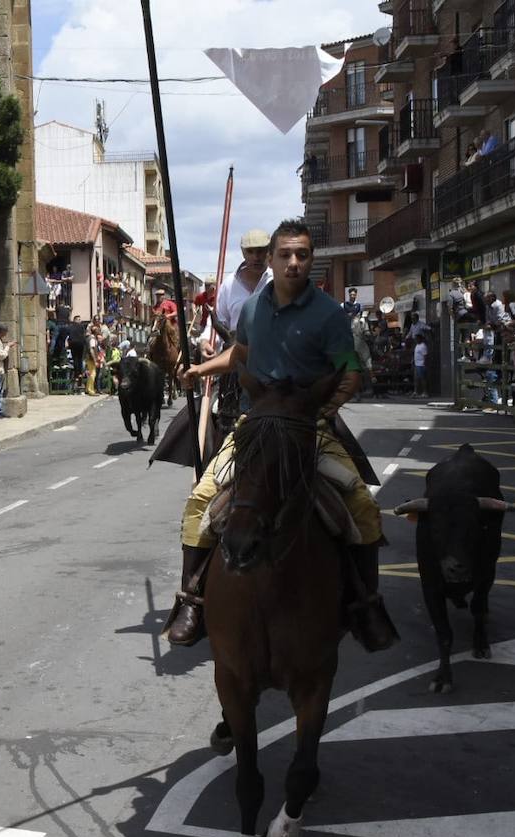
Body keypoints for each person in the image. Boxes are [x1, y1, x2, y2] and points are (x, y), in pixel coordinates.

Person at [167, 219, 398, 652]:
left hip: (310, 427)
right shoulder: (253, 309)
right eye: (285, 255)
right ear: (270, 260)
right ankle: (192, 600)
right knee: (201, 498)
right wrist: (200, 369)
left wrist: (321, 413)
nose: (293, 263)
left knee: (362, 505)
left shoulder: (329, 313)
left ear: (311, 260)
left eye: (302, 255)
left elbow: (349, 370)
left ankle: (367, 605)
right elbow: (242, 352)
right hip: (255, 423)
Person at [201, 229, 272, 356]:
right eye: (250, 251)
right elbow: (218, 322)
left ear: (269, 251)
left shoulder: (279, 281)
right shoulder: (228, 285)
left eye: (261, 251)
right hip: (236, 357)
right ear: (243, 253)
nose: (256, 257)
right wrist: (206, 341)